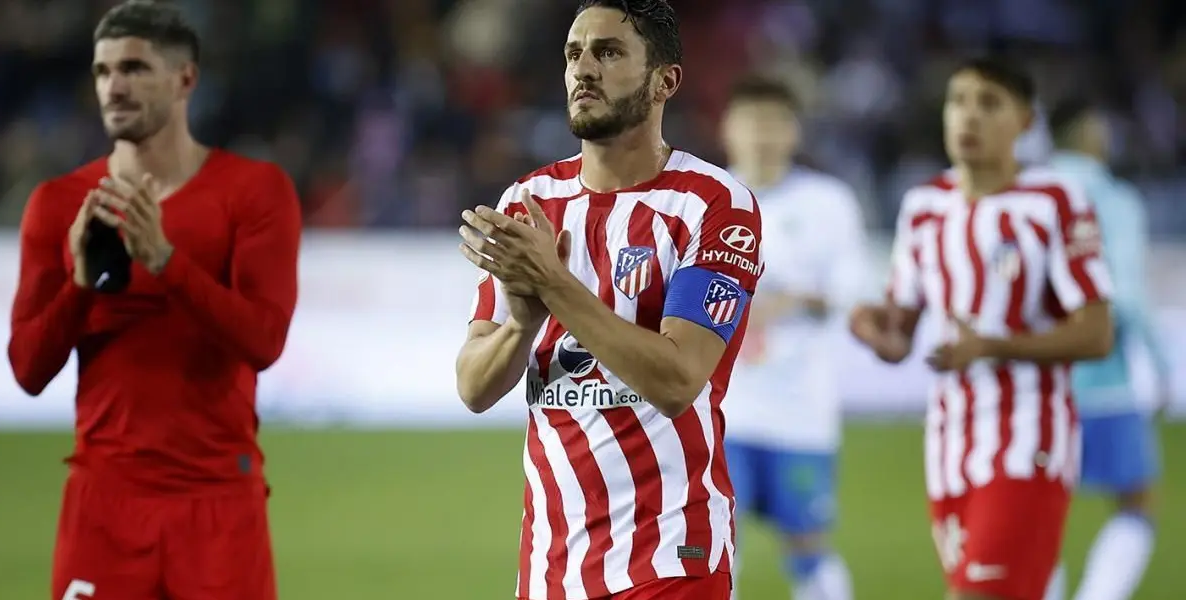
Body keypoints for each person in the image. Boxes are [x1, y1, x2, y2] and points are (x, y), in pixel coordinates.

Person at [454, 1, 763, 599]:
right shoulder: (529, 201)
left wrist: (553, 284)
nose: (583, 69)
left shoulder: (714, 206)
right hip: (551, 567)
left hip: (671, 558)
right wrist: (520, 326)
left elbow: (677, 381)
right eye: (574, 54)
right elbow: (473, 386)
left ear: (665, 81)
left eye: (609, 52)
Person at [6, 2, 301, 599]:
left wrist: (166, 261)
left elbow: (263, 342)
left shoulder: (253, 192)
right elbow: (28, 370)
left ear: (185, 79)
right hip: (103, 504)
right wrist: (81, 285)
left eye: (135, 68)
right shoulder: (58, 204)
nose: (113, 86)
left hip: (218, 501)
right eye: (102, 71)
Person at [848, 56, 1115, 600]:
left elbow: (1096, 332)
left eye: (988, 104)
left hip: (1028, 438)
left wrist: (992, 345)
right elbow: (902, 335)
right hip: (949, 445)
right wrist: (875, 330)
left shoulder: (1052, 202)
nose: (968, 116)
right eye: (958, 102)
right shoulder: (924, 206)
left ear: (1023, 122)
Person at [719, 74, 863, 600]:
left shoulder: (829, 203)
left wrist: (790, 300)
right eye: (750, 122)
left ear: (793, 132)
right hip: (722, 414)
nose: (762, 135)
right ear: (728, 129)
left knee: (808, 549)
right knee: (710, 549)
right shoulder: (706, 199)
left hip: (802, 412)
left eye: (774, 123)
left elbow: (847, 291)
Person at [1039, 100, 1170, 600]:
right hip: (1104, 379)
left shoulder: (1028, 196)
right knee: (1137, 505)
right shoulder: (1114, 199)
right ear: (1092, 134)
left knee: (1041, 506)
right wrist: (1160, 368)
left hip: (1038, 383)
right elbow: (1127, 295)